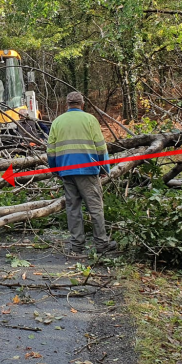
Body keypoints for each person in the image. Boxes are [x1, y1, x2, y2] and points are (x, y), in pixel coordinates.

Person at [46, 91, 118, 256]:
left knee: (73, 208)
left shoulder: (57, 122)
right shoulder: (90, 120)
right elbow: (101, 147)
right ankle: (101, 243)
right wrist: (104, 168)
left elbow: (50, 150)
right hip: (88, 171)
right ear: (82, 104)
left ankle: (77, 245)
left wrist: (55, 170)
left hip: (66, 171)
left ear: (67, 105)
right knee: (95, 207)